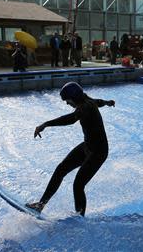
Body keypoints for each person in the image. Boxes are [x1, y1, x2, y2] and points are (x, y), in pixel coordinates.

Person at [26, 82, 115, 216]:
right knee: (61, 169)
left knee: (78, 185)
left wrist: (46, 124)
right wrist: (108, 102)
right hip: (88, 146)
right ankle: (40, 205)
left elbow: (69, 119)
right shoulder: (87, 101)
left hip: (98, 152)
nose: (67, 104)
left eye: (67, 100)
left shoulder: (85, 107)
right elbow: (98, 102)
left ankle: (80, 218)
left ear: (74, 97)